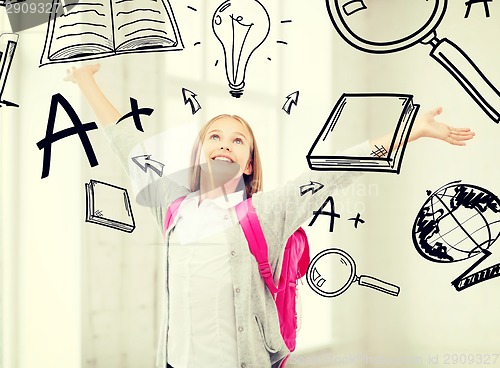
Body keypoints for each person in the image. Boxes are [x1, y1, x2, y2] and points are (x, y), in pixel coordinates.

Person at [65, 63, 474, 368]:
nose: (225, 144)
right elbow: (126, 143)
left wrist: (411, 130)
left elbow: (331, 171)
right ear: (200, 152)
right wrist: (86, 81)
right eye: (215, 136)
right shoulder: (172, 207)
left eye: (238, 140)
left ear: (247, 163)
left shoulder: (264, 212)